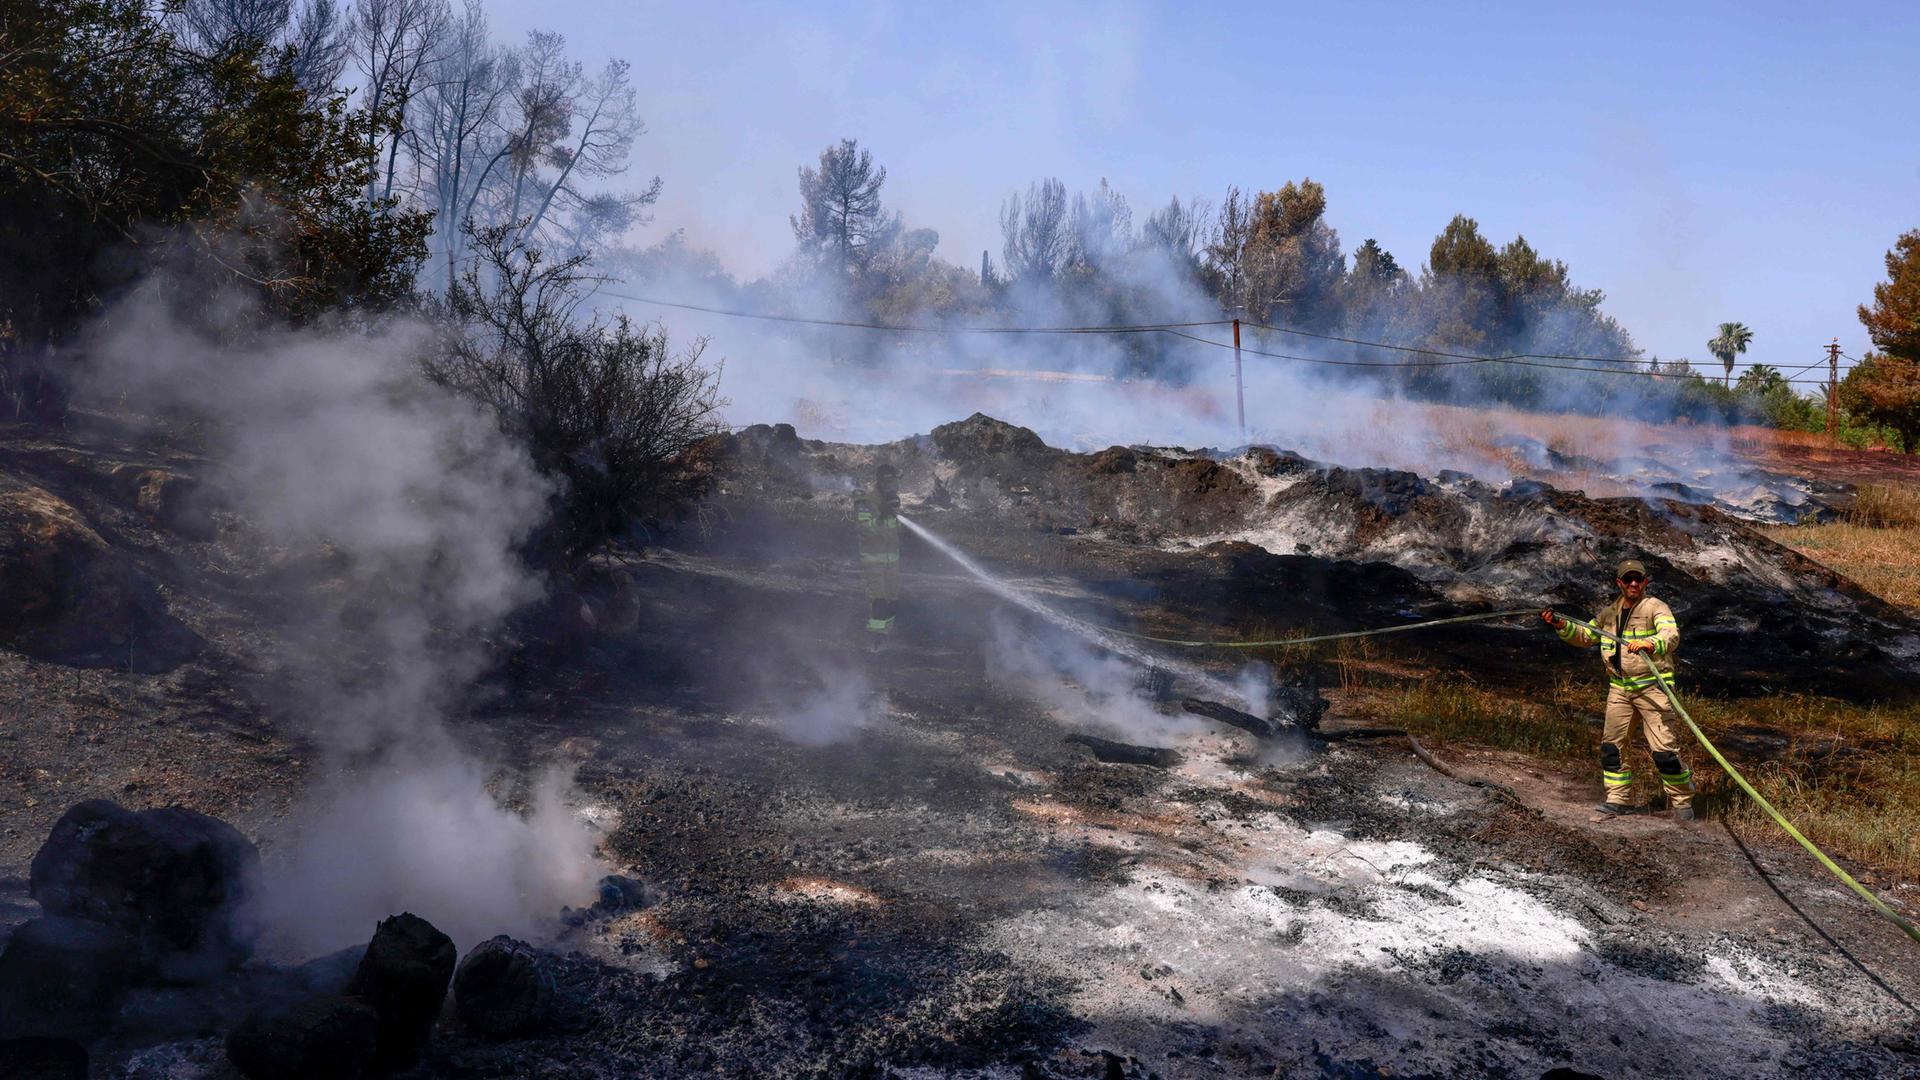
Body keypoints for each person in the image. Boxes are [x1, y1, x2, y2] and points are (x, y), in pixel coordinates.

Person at [1542, 559, 1694, 820]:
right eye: (1628, 579)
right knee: (1612, 747)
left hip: (1652, 689)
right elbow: (1585, 635)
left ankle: (1682, 802)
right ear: (1619, 583)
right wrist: (1560, 625)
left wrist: (1650, 643)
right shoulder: (1608, 613)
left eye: (1638, 579)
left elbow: (1671, 635)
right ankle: (1618, 798)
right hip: (1619, 690)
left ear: (1645, 582)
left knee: (1664, 750)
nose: (1633, 584)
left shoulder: (1655, 607)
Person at [854, 463, 901, 645]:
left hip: (892, 560)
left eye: (893, 479)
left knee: (893, 601)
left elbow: (896, 528)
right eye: (886, 480)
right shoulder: (866, 501)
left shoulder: (894, 499)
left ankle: (885, 633)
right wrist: (882, 516)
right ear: (879, 480)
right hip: (873, 560)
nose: (890, 483)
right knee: (879, 600)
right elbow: (864, 528)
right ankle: (876, 638)